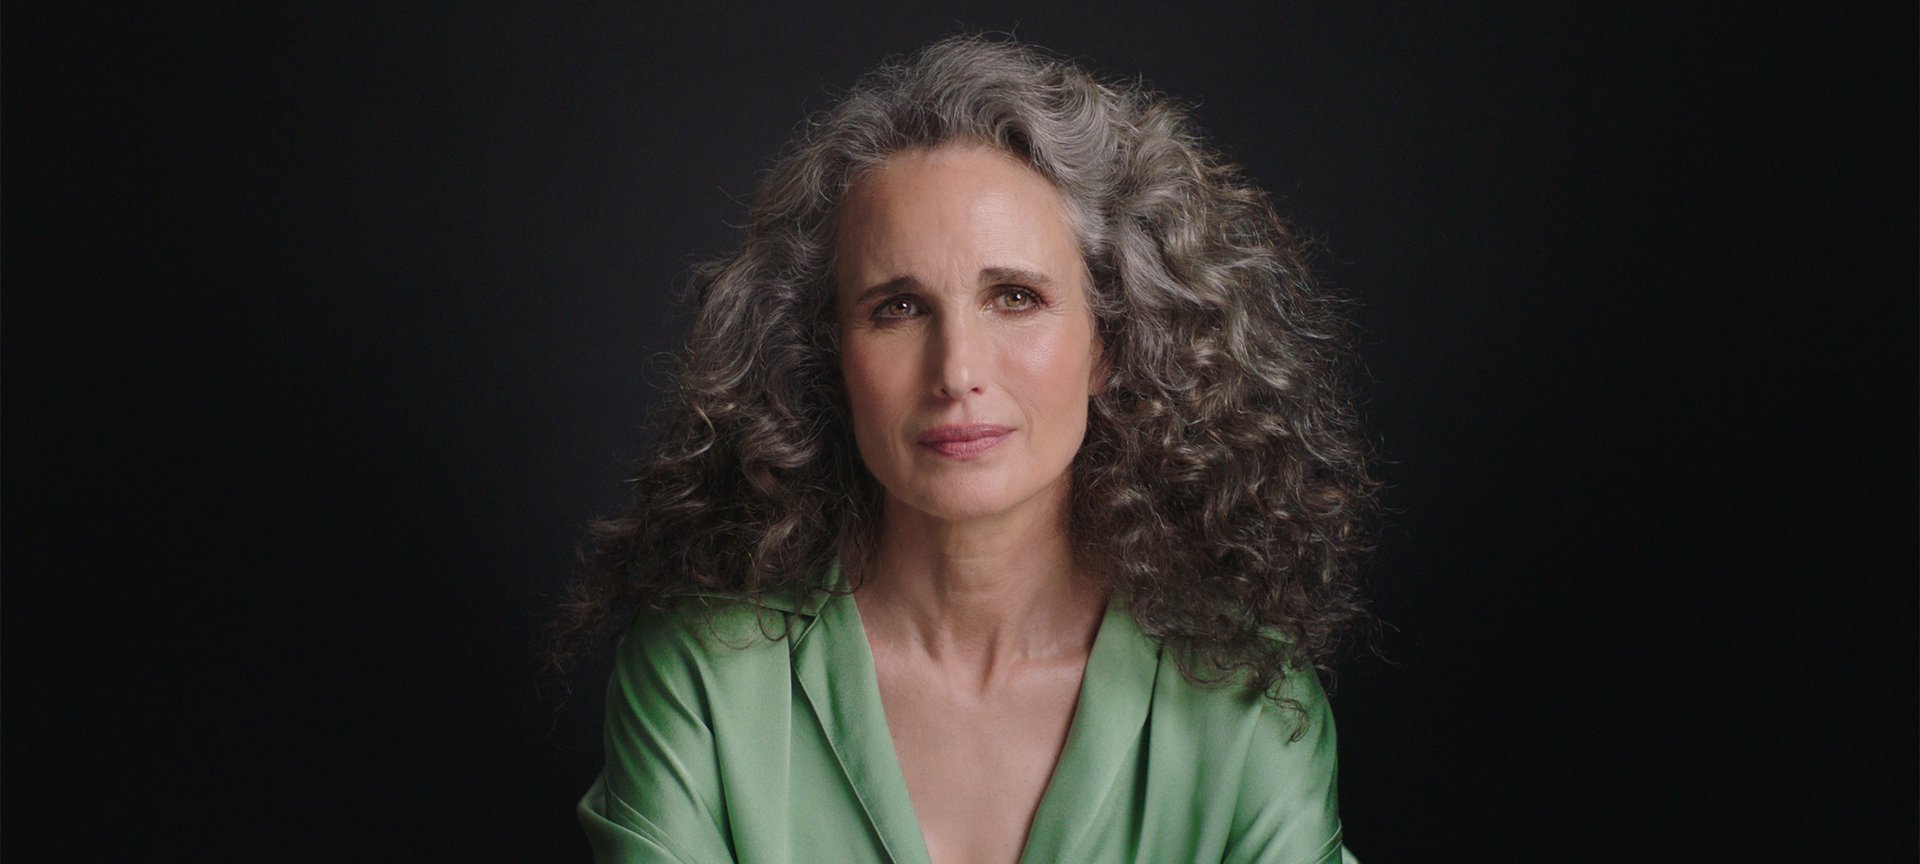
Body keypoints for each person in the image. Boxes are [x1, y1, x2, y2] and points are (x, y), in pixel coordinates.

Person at [550, 33, 1376, 864]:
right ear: (828, 356)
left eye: (1015, 297)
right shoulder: (703, 679)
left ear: (1111, 343)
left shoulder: (1246, 699)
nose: (958, 372)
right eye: (898, 308)